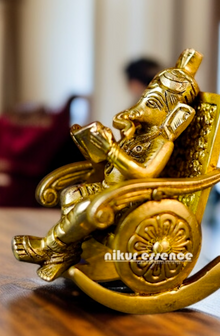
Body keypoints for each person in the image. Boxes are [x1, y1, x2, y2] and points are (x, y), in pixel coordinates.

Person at [12, 48, 203, 281]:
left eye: (151, 103)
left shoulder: (162, 142)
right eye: (143, 98)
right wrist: (103, 141)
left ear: (173, 116)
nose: (141, 105)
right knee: (71, 195)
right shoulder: (139, 134)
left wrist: (111, 150)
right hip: (108, 188)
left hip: (126, 198)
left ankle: (48, 246)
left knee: (84, 208)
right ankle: (67, 252)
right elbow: (116, 159)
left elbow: (144, 173)